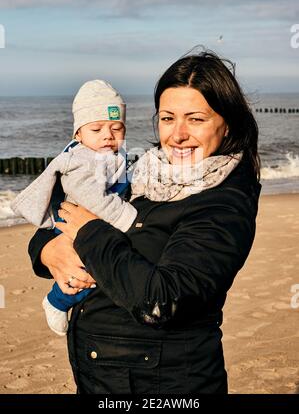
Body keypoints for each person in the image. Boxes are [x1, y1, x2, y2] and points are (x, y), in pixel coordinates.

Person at [28, 50, 261, 394]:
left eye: (195, 119)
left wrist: (88, 234)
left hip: (164, 386)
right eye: (167, 118)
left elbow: (161, 300)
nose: (178, 134)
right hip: (103, 379)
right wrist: (48, 251)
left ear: (227, 123)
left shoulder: (224, 202)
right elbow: (62, 219)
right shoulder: (146, 175)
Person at [12, 79, 137, 336]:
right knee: (83, 269)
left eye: (117, 128)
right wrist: (128, 218)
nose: (107, 135)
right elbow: (95, 201)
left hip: (93, 225)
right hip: (72, 226)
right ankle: (57, 302)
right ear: (78, 134)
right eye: (96, 129)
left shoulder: (113, 156)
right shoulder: (79, 161)